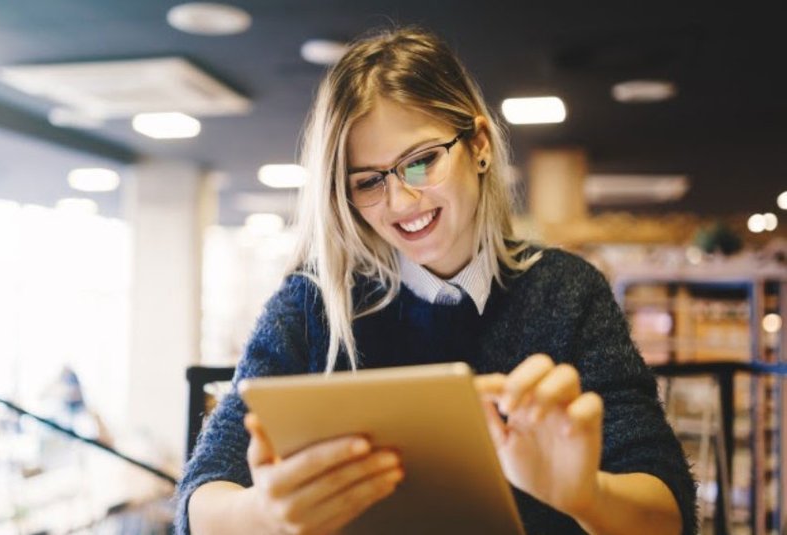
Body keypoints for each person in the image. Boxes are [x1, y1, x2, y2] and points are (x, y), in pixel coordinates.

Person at [176, 26, 696, 535]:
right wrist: (264, 516)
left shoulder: (566, 291)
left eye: (421, 162)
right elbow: (202, 497)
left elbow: (667, 510)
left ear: (480, 146)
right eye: (369, 181)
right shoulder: (313, 304)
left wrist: (586, 495)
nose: (402, 202)